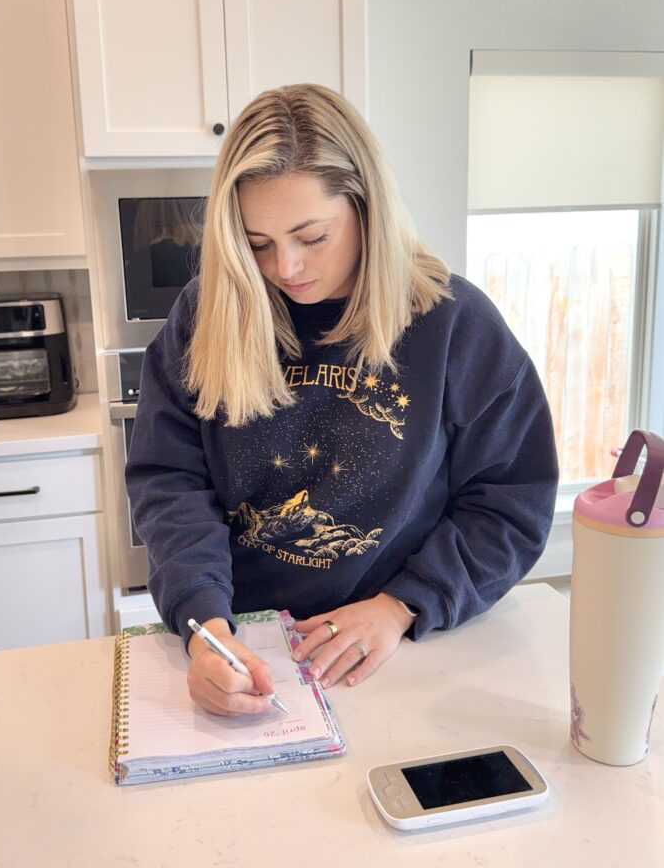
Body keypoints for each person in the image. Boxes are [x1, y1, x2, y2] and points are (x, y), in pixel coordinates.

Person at [125, 83, 558, 718]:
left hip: (401, 646)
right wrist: (205, 626)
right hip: (246, 642)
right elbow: (170, 482)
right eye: (259, 242)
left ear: (365, 207)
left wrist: (403, 605)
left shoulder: (452, 323)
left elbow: (511, 501)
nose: (286, 268)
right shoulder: (204, 313)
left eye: (312, 235)